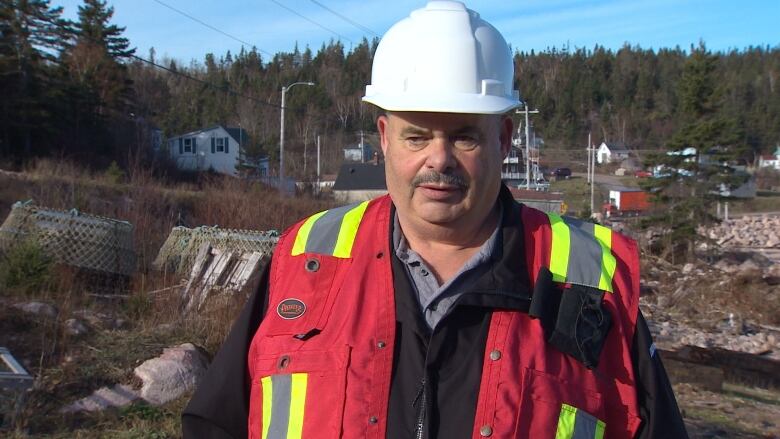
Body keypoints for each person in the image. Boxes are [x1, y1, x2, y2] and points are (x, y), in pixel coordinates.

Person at [182, 1, 688, 438]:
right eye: (417, 136)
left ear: (505, 139)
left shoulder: (587, 281)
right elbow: (218, 424)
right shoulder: (308, 259)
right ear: (384, 137)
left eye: (464, 136)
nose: (439, 160)